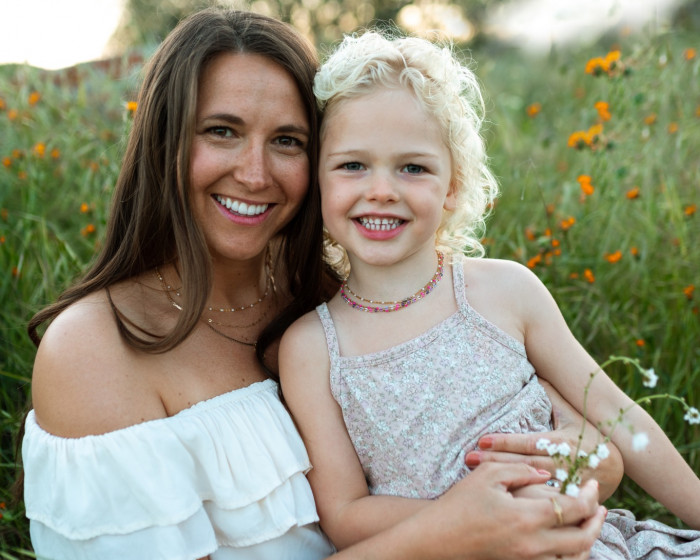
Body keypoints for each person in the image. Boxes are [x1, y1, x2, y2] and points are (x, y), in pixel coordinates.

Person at [21, 7, 610, 560]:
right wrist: (450, 533)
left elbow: (564, 421)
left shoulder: (343, 297)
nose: (255, 174)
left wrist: (578, 460)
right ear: (162, 142)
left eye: (287, 141)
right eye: (221, 131)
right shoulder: (93, 352)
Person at [278, 30, 700, 558]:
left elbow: (620, 418)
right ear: (317, 180)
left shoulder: (504, 292)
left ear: (453, 184)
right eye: (352, 165)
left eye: (413, 168)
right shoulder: (314, 347)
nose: (381, 190)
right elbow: (344, 515)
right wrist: (485, 518)